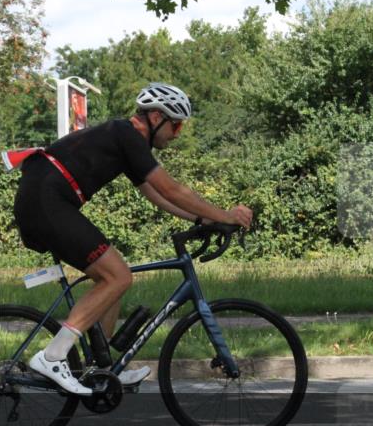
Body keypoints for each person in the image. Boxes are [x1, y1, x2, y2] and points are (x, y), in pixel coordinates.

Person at [13, 83, 253, 395]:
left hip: (45, 200)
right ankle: (53, 356)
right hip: (46, 202)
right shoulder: (127, 135)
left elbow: (155, 195)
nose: (178, 133)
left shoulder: (124, 139)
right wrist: (225, 215)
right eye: (176, 124)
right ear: (156, 117)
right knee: (118, 276)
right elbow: (171, 189)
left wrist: (202, 219)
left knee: (113, 278)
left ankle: (100, 369)